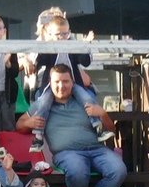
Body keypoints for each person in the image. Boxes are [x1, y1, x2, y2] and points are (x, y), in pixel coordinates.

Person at [15, 65, 125, 187]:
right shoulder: (42, 105)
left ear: (72, 82)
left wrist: (103, 114)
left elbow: (111, 130)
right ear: (50, 83)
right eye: (57, 82)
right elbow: (19, 125)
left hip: (97, 149)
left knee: (119, 170)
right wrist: (29, 123)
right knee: (78, 172)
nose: (61, 86)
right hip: (67, 153)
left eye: (65, 81)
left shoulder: (86, 100)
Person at [22, 16, 109, 150]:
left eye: (65, 34)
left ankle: (97, 127)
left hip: (74, 84)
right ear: (50, 34)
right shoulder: (48, 48)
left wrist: (85, 46)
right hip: (51, 86)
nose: (62, 37)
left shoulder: (73, 47)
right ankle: (38, 136)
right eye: (58, 34)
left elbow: (85, 61)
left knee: (87, 98)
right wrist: (37, 49)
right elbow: (38, 61)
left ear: (69, 32)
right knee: (43, 103)